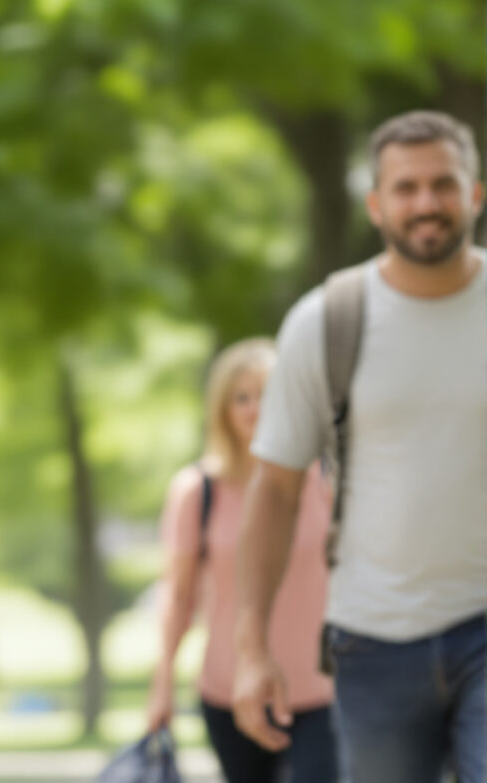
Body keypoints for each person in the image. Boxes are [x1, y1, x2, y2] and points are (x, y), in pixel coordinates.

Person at [231, 111, 487, 783]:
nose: (426, 202)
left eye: (443, 183)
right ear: (376, 204)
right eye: (406, 188)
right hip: (372, 640)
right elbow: (276, 490)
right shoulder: (327, 320)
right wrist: (252, 642)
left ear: (475, 193)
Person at [144, 338, 337, 783]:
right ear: (223, 410)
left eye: (267, 394)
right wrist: (162, 687)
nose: (255, 409)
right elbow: (178, 596)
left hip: (320, 690)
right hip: (229, 691)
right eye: (241, 398)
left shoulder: (324, 479)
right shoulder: (197, 490)